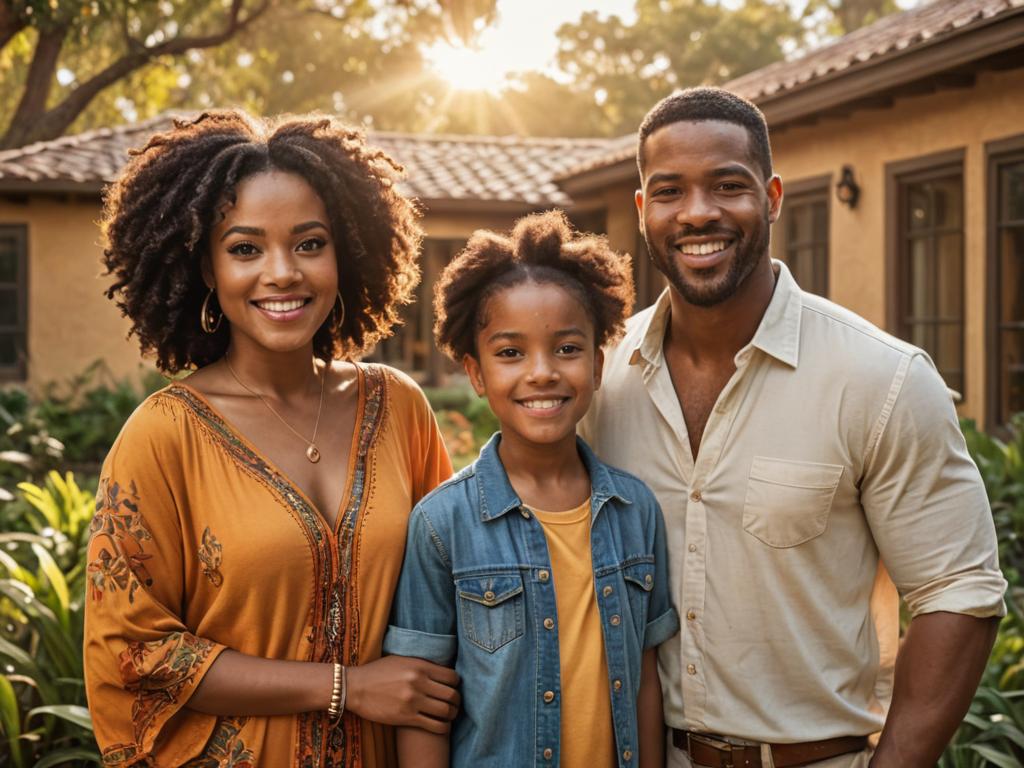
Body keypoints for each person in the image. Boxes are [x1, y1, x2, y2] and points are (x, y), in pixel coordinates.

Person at [579, 87, 1007, 767]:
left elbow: (960, 592)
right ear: (642, 210)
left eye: (728, 186)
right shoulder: (598, 380)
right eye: (670, 192)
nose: (698, 213)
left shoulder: (882, 379)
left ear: (773, 198)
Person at [85, 110, 460, 767]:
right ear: (207, 267)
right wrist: (348, 688)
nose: (282, 272)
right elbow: (134, 648)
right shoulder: (163, 435)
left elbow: (455, 591)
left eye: (310, 244)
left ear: (346, 253)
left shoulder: (399, 407)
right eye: (245, 248)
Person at [382, 211, 679, 767]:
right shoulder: (442, 524)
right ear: (475, 373)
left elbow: (645, 680)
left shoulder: (636, 510)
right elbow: (422, 702)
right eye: (511, 353)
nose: (541, 373)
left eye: (566, 350)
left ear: (596, 365)